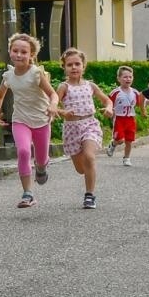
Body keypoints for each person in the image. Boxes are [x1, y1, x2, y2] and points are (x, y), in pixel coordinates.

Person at [0, 32, 57, 209]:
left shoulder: (36, 74)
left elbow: (53, 94)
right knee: (23, 152)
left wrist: (52, 106)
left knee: (41, 159)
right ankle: (28, 193)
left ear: (31, 55)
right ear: (10, 51)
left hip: (41, 121)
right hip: (20, 120)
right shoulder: (9, 76)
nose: (19, 55)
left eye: (24, 52)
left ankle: (41, 167)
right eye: (15, 50)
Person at [56, 48, 112, 208]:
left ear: (83, 66)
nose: (73, 67)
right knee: (81, 169)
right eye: (69, 65)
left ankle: (89, 195)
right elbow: (52, 106)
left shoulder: (91, 86)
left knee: (89, 157)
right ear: (64, 67)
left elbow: (107, 100)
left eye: (77, 64)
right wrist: (63, 112)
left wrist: (109, 108)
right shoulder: (63, 87)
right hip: (71, 129)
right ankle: (88, 172)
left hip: (90, 124)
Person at [106, 65, 143, 166]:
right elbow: (108, 102)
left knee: (129, 141)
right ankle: (113, 144)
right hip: (119, 119)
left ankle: (126, 158)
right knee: (120, 140)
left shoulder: (135, 92)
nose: (128, 79)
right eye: (125, 77)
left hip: (130, 119)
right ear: (119, 78)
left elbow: (140, 103)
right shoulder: (115, 92)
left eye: (130, 77)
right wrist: (108, 110)